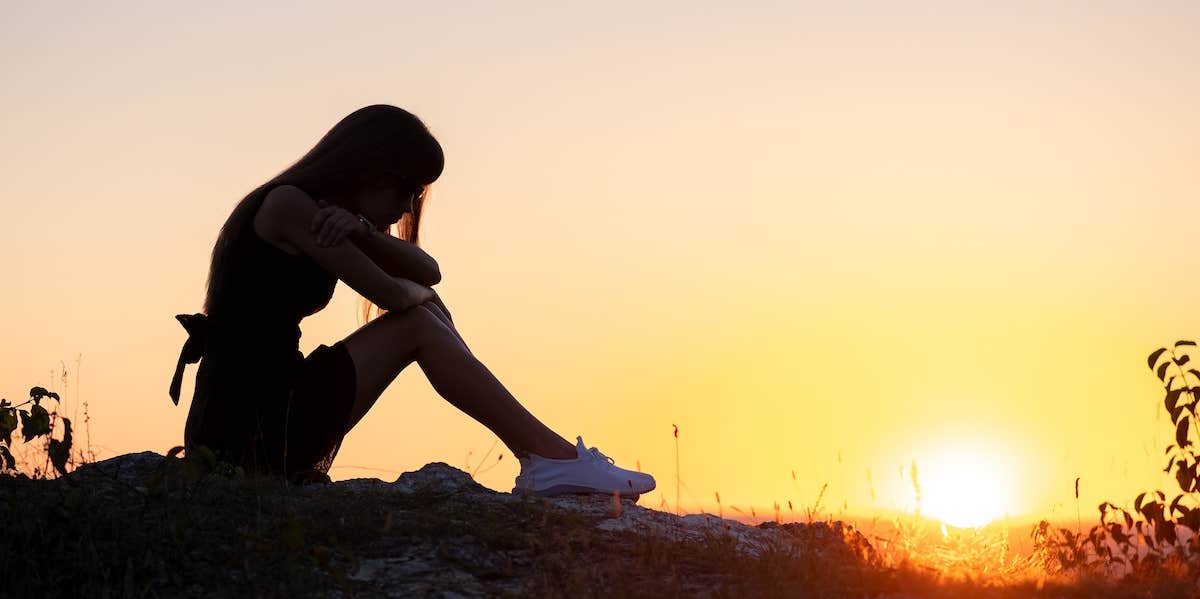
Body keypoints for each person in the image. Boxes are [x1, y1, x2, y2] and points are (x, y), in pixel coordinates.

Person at [168, 104, 655, 498]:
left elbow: (428, 271)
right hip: (247, 423)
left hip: (272, 404)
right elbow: (394, 293)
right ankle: (551, 461)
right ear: (367, 167)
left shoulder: (323, 213)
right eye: (406, 187)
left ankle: (547, 459)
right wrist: (416, 291)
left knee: (425, 309)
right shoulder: (289, 206)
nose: (407, 205)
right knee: (419, 320)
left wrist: (362, 230)